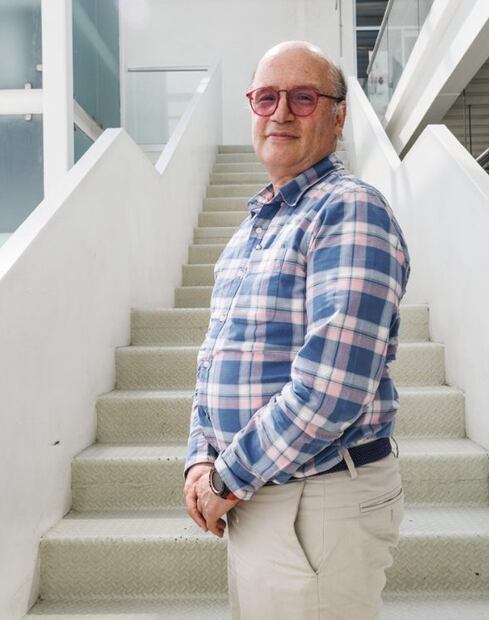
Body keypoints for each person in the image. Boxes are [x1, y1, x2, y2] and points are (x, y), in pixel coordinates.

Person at [182, 40, 411, 619]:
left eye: (303, 98)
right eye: (265, 97)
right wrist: (198, 459)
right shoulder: (253, 229)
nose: (280, 112)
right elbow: (213, 361)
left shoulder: (350, 210)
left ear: (338, 116)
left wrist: (225, 477)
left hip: (317, 501)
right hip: (259, 492)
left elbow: (331, 390)